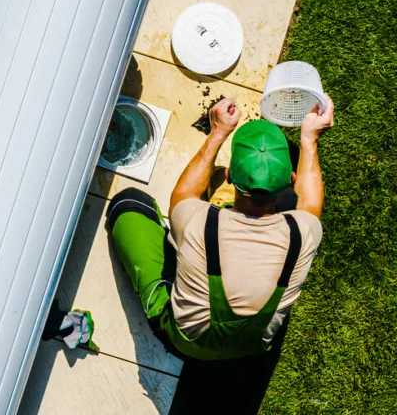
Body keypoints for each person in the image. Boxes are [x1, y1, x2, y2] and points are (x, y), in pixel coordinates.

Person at [106, 95, 334, 361]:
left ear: (230, 177)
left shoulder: (197, 222)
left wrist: (218, 133)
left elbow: (185, 193)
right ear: (291, 180)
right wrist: (309, 138)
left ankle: (160, 307)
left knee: (128, 203)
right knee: (287, 204)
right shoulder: (303, 234)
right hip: (253, 345)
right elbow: (310, 201)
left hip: (186, 342)